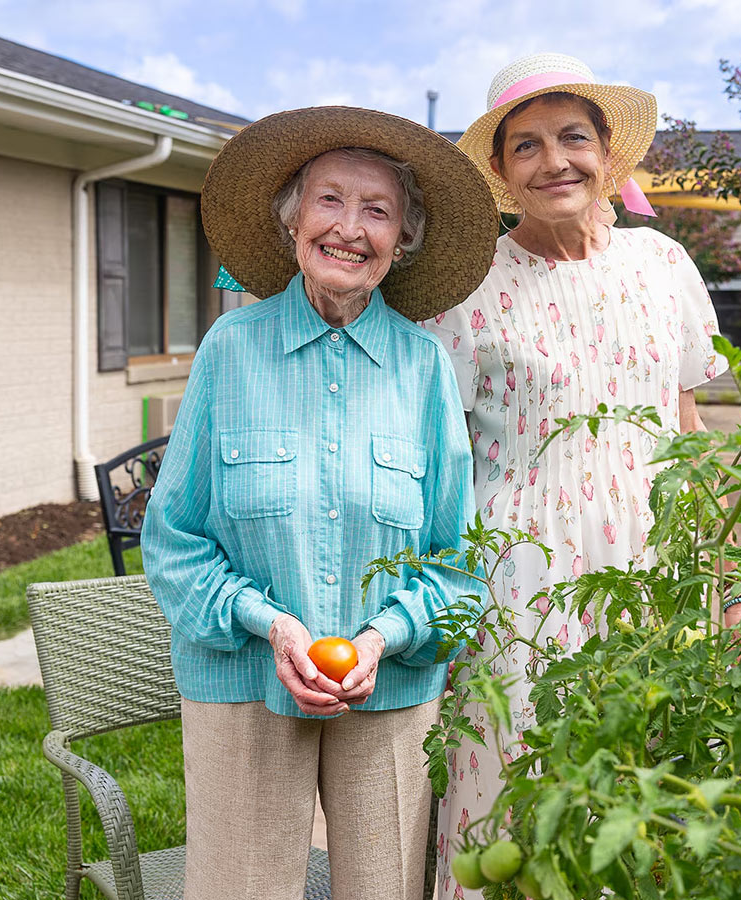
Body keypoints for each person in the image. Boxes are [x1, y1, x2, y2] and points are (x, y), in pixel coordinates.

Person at [421, 53, 741, 899]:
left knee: (654, 783)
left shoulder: (662, 265)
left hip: (659, 570)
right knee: (516, 793)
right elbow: (441, 456)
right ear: (500, 171)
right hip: (520, 582)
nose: (554, 161)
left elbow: (690, 434)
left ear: (609, 152)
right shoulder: (468, 286)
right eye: (525, 145)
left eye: (573, 137)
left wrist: (731, 580)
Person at [141, 105, 498, 900]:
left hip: (394, 689)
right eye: (329, 200)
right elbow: (172, 540)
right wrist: (270, 625)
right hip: (243, 682)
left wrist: (382, 636)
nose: (349, 228)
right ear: (293, 221)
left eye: (378, 211)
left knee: (386, 887)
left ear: (401, 241)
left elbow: (460, 565)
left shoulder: (424, 369)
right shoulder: (230, 351)